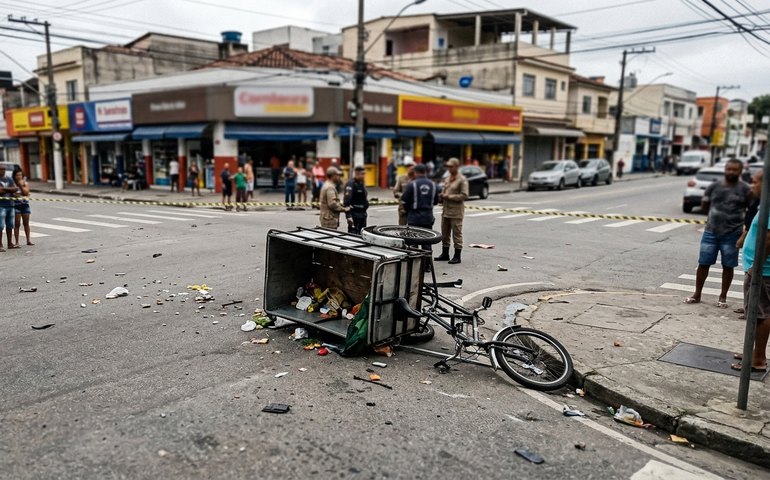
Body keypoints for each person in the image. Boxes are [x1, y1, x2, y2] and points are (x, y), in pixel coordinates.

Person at [685, 159, 750, 308]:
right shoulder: (714, 187)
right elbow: (704, 205)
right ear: (725, 170)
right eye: (729, 169)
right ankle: (697, 293)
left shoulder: (745, 190)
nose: (731, 172)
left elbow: (751, 211)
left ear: (740, 171)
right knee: (703, 263)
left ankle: (723, 297)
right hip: (711, 232)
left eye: (734, 170)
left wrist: (743, 233)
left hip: (733, 234)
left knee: (728, 266)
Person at [733, 169, 770, 373]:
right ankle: (752, 350)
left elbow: (769, 239)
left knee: (762, 314)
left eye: (755, 182)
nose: (751, 186)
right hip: (758, 268)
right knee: (756, 313)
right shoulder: (763, 203)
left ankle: (758, 359)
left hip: (763, 271)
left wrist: (756, 267)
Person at [401, 164, 438, 271]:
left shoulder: (411, 185)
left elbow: (404, 201)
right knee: (427, 242)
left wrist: (409, 211)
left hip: (414, 217)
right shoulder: (433, 184)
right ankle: (427, 265)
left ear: (416, 172)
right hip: (428, 217)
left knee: (413, 242)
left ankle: (415, 266)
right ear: (425, 172)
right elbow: (435, 201)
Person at [435, 157, 468, 265]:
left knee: (457, 234)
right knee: (444, 233)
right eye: (448, 166)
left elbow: (464, 195)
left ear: (456, 166)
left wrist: (449, 196)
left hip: (456, 212)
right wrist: (441, 196)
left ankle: (457, 256)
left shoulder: (461, 179)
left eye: (451, 166)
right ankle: (445, 253)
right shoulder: (448, 178)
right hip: (445, 210)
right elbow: (444, 190)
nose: (449, 168)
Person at [343, 165, 369, 235]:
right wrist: (348, 216)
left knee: (362, 235)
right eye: (362, 174)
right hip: (355, 215)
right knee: (353, 236)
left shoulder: (362, 183)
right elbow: (346, 201)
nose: (364, 176)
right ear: (357, 174)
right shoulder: (351, 184)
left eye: (364, 174)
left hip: (362, 215)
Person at [12, 170, 33, 247]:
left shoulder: (25, 183)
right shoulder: (12, 184)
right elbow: (12, 194)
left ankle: (28, 240)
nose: (19, 177)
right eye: (17, 175)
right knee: (17, 224)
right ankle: (17, 242)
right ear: (14, 176)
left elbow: (26, 193)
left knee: (26, 223)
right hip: (16, 205)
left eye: (20, 175)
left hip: (25, 205)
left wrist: (21, 186)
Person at [0, 164, 18, 252]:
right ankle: (0, 245)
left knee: (10, 225)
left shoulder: (9, 178)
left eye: (4, 169)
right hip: (1, 206)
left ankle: (10, 243)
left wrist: (5, 189)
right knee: (0, 226)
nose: (3, 171)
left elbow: (15, 188)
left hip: (10, 205)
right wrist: (10, 189)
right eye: (1, 169)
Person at [393, 158, 416, 225]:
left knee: (414, 229)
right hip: (403, 208)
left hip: (414, 209)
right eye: (409, 167)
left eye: (413, 168)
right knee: (402, 228)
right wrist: (403, 195)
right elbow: (395, 191)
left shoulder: (417, 179)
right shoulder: (401, 178)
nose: (411, 169)